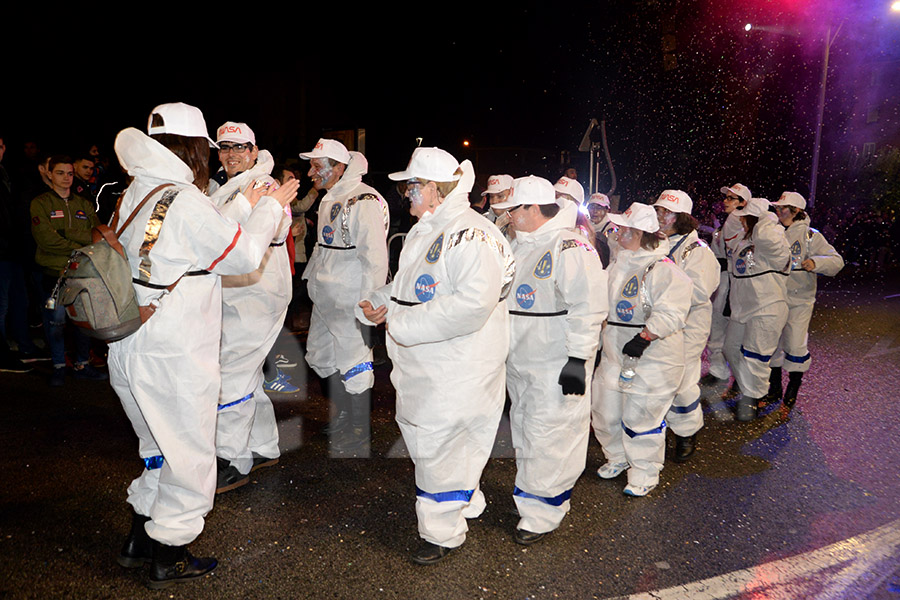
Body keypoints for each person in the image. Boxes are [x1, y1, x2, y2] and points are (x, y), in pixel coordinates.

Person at [108, 102, 298, 589]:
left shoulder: (136, 191)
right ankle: (168, 553)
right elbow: (243, 254)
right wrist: (270, 208)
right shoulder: (185, 199)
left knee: (157, 447)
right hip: (173, 348)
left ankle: (138, 540)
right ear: (194, 149)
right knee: (189, 454)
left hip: (129, 341)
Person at [358, 147, 514, 564]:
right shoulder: (430, 229)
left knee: (439, 446)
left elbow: (471, 305)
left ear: (434, 189)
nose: (406, 194)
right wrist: (382, 302)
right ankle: (465, 500)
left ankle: (441, 531)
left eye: (412, 186)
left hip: (455, 367)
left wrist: (402, 325)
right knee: (442, 443)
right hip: (428, 366)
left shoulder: (472, 235)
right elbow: (412, 288)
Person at [493, 175, 607, 544]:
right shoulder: (519, 244)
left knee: (552, 434)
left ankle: (544, 511)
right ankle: (531, 494)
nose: (507, 216)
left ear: (532, 208)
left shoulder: (571, 247)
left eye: (512, 209)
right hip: (520, 359)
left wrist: (577, 359)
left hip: (555, 362)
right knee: (527, 430)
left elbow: (587, 308)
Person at [207, 121, 293, 494]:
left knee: (231, 376)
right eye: (225, 147)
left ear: (254, 151)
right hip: (233, 293)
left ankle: (232, 460)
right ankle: (263, 446)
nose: (231, 155)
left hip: (257, 293)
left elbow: (274, 229)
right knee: (247, 373)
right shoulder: (220, 186)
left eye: (239, 148)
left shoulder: (266, 186)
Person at [591, 203, 692, 497]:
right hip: (614, 353)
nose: (617, 231)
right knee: (605, 412)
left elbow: (672, 312)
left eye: (623, 228)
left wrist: (646, 335)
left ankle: (644, 471)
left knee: (641, 417)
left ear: (639, 233)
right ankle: (618, 457)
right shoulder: (619, 264)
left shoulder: (665, 270)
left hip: (652, 360)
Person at [300, 138, 389, 455]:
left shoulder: (362, 199)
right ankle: (343, 414)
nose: (311, 172)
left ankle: (358, 426)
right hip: (326, 297)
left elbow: (375, 256)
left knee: (355, 362)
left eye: (317, 165)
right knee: (320, 356)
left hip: (351, 298)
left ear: (339, 167)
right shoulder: (331, 197)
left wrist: (370, 301)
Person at [652, 190, 719, 462]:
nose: (661, 217)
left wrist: (662, 295)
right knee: (657, 378)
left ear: (682, 217)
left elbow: (699, 291)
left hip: (688, 325)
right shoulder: (654, 242)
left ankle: (686, 433)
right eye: (658, 211)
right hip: (659, 323)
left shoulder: (697, 250)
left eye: (667, 212)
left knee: (681, 382)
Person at [29, 155, 106, 386]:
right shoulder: (40, 203)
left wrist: (68, 236)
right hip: (53, 273)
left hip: (81, 273)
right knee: (56, 323)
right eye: (60, 173)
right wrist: (79, 247)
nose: (66, 178)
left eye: (70, 174)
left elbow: (97, 236)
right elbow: (46, 240)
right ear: (49, 174)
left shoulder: (83, 204)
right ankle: (59, 367)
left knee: (83, 322)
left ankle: (83, 364)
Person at [765, 192, 843, 412]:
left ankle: (792, 392)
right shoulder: (774, 233)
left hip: (800, 301)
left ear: (797, 210)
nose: (779, 212)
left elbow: (837, 261)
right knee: (772, 344)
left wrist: (815, 262)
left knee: (795, 345)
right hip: (774, 299)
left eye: (784, 208)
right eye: (777, 208)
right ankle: (774, 390)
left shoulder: (811, 236)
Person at [722, 198, 790, 421]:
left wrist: (767, 217)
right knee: (730, 349)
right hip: (742, 307)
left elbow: (773, 247)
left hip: (767, 305)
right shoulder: (743, 239)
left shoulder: (772, 235)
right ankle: (750, 389)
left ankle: (752, 400)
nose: (741, 219)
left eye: (745, 216)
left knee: (755, 356)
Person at [701, 183, 750, 389]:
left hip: (744, 284)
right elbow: (718, 257)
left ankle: (741, 378)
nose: (725, 201)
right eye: (726, 197)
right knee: (717, 326)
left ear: (743, 204)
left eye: (731, 198)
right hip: (724, 282)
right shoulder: (721, 230)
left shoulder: (753, 230)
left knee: (741, 334)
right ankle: (718, 369)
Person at [586, 192, 617, 268]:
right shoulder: (584, 225)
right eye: (592, 207)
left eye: (599, 207)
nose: (595, 211)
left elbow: (614, 257)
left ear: (607, 210)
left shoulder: (612, 230)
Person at [480, 174, 514, 238]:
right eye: (491, 196)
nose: (494, 201)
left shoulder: (518, 223)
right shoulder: (483, 220)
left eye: (500, 196)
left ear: (511, 195)